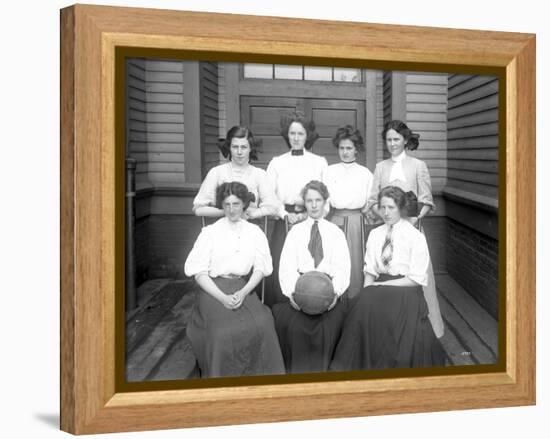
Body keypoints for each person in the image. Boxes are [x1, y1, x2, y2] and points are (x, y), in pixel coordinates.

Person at [330, 186, 446, 371]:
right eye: (383, 207)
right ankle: (363, 364)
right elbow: (371, 270)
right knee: (362, 305)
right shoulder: (376, 234)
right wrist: (367, 290)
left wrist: (381, 286)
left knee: (391, 316)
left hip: (406, 288)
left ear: (401, 208)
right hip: (379, 285)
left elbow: (416, 278)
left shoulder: (414, 236)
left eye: (391, 208)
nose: (385, 212)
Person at [184, 181, 285, 378]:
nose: (231, 209)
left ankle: (262, 378)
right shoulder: (210, 233)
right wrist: (222, 297)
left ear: (244, 204)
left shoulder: (254, 232)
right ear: (221, 205)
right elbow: (198, 272)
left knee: (263, 322)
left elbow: (261, 268)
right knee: (222, 331)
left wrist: (245, 291)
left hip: (242, 285)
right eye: (227, 204)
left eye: (236, 204)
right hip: (213, 289)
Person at [367, 120, 444, 338]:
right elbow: (373, 200)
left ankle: (426, 329)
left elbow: (427, 201)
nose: (392, 143)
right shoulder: (381, 168)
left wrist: (411, 220)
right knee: (388, 271)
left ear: (405, 140)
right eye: (389, 139)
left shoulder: (418, 166)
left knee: (418, 276)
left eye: (396, 139)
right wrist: (385, 216)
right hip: (387, 229)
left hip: (412, 228)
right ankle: (387, 327)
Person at [272, 180, 350, 373]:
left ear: (325, 202)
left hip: (327, 291)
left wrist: (335, 294)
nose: (314, 205)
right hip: (300, 290)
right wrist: (292, 294)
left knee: (331, 325)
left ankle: (326, 373)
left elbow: (343, 268)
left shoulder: (336, 233)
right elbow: (286, 267)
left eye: (318, 200)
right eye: (309, 201)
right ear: (304, 203)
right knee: (292, 325)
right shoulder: (295, 232)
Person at [265, 111, 328, 307]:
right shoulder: (277, 162)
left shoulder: (319, 162)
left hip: (311, 217)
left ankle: (311, 303)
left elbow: (326, 196)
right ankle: (282, 307)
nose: (296, 138)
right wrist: (285, 214)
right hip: (284, 218)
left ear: (307, 136)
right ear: (287, 135)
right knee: (282, 263)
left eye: (300, 134)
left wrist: (308, 215)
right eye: (292, 133)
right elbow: (269, 195)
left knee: (309, 261)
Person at [325, 125, 373, 301]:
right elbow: (324, 200)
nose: (345, 152)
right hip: (335, 219)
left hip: (355, 221)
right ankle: (334, 298)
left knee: (354, 261)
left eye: (349, 148)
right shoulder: (330, 171)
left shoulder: (365, 173)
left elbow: (370, 201)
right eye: (342, 148)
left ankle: (354, 300)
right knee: (334, 260)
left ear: (356, 150)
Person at [193, 125, 280, 220]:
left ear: (250, 148)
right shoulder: (216, 172)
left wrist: (254, 214)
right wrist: (227, 212)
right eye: (235, 147)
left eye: (244, 147)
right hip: (222, 228)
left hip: (249, 227)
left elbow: (272, 207)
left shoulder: (259, 174)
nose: (239, 152)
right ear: (229, 148)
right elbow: (198, 209)